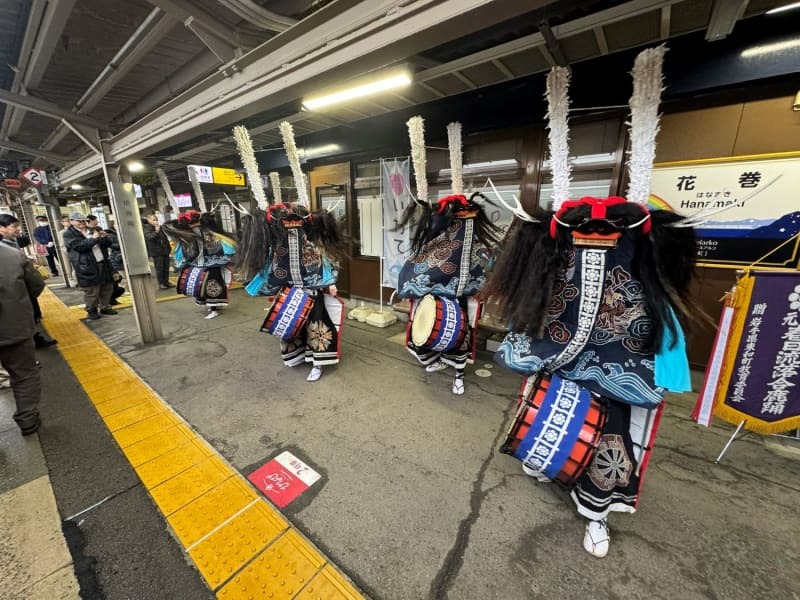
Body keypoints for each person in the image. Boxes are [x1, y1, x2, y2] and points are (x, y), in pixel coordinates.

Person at [483, 49, 696, 558]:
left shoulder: (641, 244)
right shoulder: (554, 247)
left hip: (621, 360)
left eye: (609, 229)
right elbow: (532, 293)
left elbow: (662, 290)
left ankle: (596, 513)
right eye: (587, 229)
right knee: (547, 418)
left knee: (611, 441)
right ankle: (545, 461)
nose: (597, 235)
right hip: (558, 351)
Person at [395, 119, 500, 395]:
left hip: (465, 298)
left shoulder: (477, 242)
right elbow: (420, 266)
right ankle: (432, 361)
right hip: (440, 296)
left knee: (463, 337)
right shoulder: (438, 241)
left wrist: (481, 287)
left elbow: (486, 265)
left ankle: (459, 374)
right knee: (430, 330)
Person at [0, 240, 45, 435]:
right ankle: (27, 420)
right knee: (24, 374)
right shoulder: (12, 255)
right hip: (13, 327)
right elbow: (36, 285)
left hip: (14, 328)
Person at [162, 210, 235, 319]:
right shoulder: (209, 231)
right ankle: (215, 306)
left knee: (203, 286)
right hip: (215, 263)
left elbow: (192, 253)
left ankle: (213, 309)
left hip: (200, 265)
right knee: (215, 285)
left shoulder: (189, 234)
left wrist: (183, 263)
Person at [0, 214, 58, 347]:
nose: (18, 229)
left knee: (30, 317)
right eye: (14, 226)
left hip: (23, 291)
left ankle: (33, 340)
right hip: (15, 294)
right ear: (1, 228)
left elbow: (25, 240)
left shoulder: (11, 242)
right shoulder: (5, 249)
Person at [63, 211, 118, 320]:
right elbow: (80, 247)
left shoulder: (94, 230)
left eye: (84, 220)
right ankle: (91, 310)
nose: (82, 223)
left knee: (107, 286)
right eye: (79, 221)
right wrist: (93, 239)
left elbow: (107, 244)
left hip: (102, 261)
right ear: (71, 221)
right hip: (86, 265)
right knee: (92, 290)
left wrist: (104, 237)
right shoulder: (69, 234)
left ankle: (105, 306)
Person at [142, 212, 173, 289]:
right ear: (149, 220)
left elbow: (164, 238)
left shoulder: (159, 227)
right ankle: (161, 283)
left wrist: (168, 248)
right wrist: (156, 231)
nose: (155, 221)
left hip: (164, 250)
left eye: (156, 220)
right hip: (157, 252)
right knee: (160, 268)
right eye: (153, 220)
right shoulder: (147, 228)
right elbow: (150, 237)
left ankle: (166, 281)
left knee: (166, 267)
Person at [103, 217, 126, 305]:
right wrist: (122, 243)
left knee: (121, 278)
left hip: (117, 259)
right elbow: (113, 246)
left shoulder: (116, 234)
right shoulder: (111, 235)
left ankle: (113, 297)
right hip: (116, 260)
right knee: (120, 278)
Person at [57, 215, 75, 284]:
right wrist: (67, 251)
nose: (69, 222)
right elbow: (62, 244)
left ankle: (75, 278)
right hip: (67, 250)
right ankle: (70, 278)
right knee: (68, 265)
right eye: (66, 221)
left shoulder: (75, 230)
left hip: (75, 250)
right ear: (62, 223)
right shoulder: (62, 232)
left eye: (69, 220)